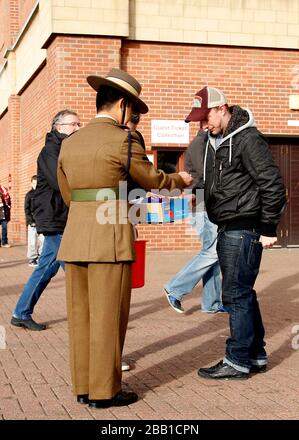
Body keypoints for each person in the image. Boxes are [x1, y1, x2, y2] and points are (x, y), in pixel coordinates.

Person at [57, 68, 193, 408]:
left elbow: (67, 194)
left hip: (76, 238)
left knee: (81, 317)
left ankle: (84, 386)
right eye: (132, 111)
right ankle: (105, 391)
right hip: (110, 239)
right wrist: (181, 179)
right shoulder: (123, 139)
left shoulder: (70, 141)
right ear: (121, 105)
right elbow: (150, 179)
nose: (131, 117)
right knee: (107, 317)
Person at [185, 86, 286, 380]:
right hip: (228, 225)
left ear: (222, 108)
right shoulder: (215, 141)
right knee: (244, 292)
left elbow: (273, 185)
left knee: (234, 295)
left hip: (244, 227)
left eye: (206, 118)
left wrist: (268, 228)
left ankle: (237, 360)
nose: (203, 125)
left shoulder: (247, 139)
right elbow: (218, 182)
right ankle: (254, 354)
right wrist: (199, 199)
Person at [11, 109, 81, 331]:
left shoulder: (66, 149)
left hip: (62, 217)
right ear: (59, 127)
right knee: (69, 268)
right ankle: (21, 312)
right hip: (54, 217)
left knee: (54, 267)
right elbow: (59, 181)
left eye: (79, 124)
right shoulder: (50, 151)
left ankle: (21, 312)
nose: (78, 128)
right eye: (74, 124)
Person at [164, 132, 225, 314]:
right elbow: (206, 177)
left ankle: (211, 303)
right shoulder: (202, 143)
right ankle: (174, 288)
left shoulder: (208, 142)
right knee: (213, 252)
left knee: (212, 255)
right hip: (202, 206)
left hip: (205, 206)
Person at [24, 175, 44, 266]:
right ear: (31, 183)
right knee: (32, 241)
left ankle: (41, 256)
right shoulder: (29, 195)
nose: (36, 185)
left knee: (43, 240)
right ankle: (32, 258)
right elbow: (26, 209)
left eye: (37, 183)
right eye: (34, 183)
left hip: (41, 221)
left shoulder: (42, 194)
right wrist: (30, 221)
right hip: (32, 222)